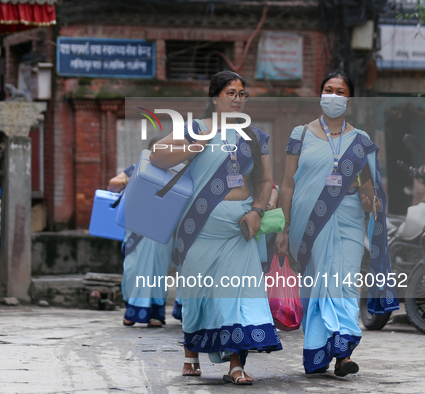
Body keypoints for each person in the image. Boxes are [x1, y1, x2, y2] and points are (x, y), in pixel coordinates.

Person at [150, 71, 281, 384]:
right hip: (200, 225)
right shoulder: (195, 130)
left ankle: (236, 365)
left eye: (241, 93)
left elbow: (265, 181)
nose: (236, 98)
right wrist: (198, 145)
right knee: (198, 293)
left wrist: (257, 211)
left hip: (241, 228)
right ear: (214, 97)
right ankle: (191, 356)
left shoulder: (254, 136)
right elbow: (157, 157)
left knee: (240, 295)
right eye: (230, 92)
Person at [274, 70, 399, 376]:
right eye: (328, 89)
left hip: (349, 217)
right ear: (320, 95)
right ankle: (318, 352)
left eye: (340, 91)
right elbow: (288, 184)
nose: (333, 96)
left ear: (349, 99)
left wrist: (373, 202)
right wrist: (284, 226)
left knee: (343, 282)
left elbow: (369, 186)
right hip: (309, 222)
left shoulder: (360, 140)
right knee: (320, 284)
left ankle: (342, 352)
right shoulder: (299, 134)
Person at [111, 137, 171, 328]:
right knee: (132, 270)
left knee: (157, 271)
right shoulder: (138, 168)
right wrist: (133, 178)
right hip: (136, 229)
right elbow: (112, 184)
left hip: (161, 229)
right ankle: (131, 311)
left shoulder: (175, 172)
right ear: (149, 152)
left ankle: (155, 314)